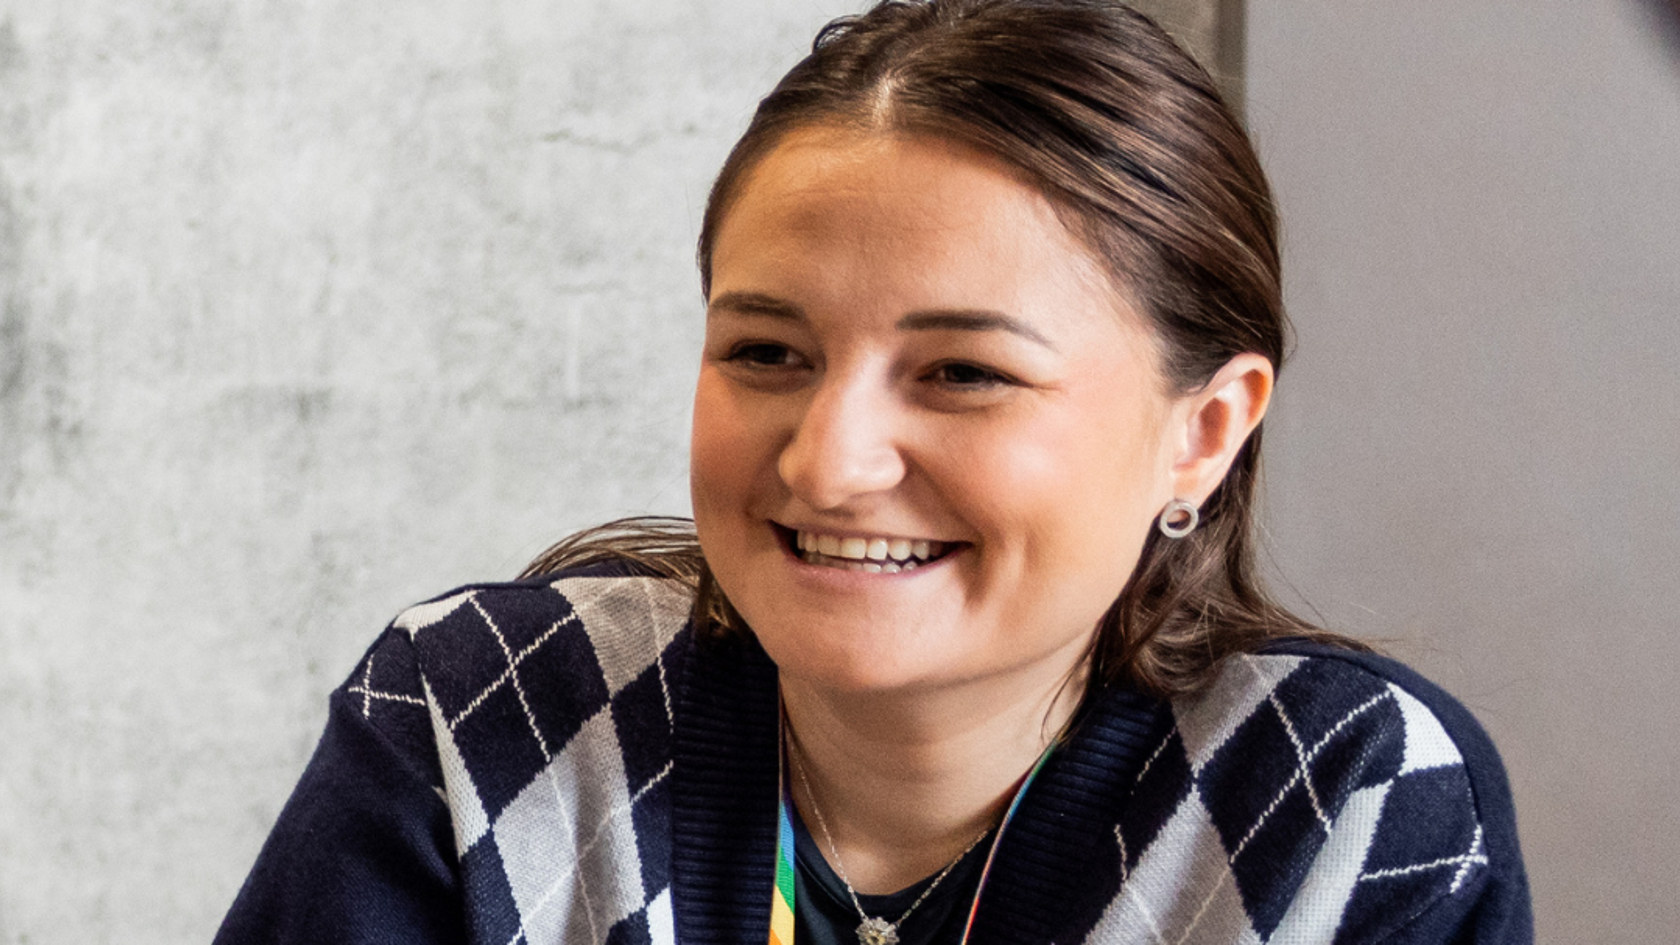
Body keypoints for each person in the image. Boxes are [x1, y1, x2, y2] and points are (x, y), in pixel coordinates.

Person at [215, 1, 1531, 943]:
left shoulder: (1339, 797)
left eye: (963, 372)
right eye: (769, 350)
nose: (830, 463)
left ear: (1204, 428)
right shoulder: (475, 715)